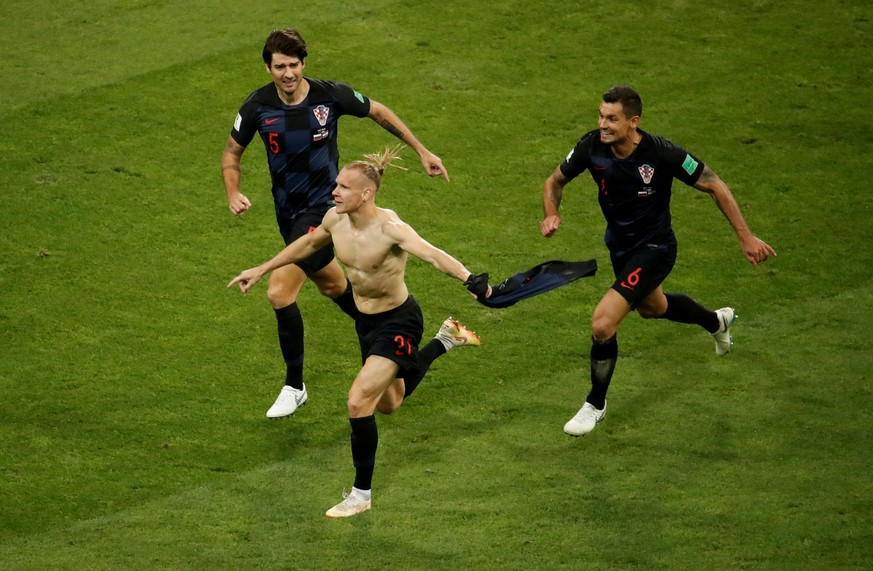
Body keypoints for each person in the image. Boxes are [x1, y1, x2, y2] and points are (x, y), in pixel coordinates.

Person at [228, 146, 490, 518]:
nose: (334, 191)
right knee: (390, 403)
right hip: (366, 323)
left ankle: (360, 495)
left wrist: (470, 279)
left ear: (366, 193)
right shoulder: (335, 220)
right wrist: (262, 268)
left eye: (343, 187)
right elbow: (306, 243)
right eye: (336, 184)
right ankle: (447, 338)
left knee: (358, 401)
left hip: (399, 321)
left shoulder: (390, 228)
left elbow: (432, 254)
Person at [221, 28, 450, 419]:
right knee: (331, 286)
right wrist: (233, 191)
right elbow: (231, 153)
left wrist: (421, 149)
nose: (288, 74)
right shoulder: (257, 107)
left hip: (328, 211)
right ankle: (428, 338)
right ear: (268, 67)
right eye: (280, 67)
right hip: (288, 214)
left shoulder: (330, 95)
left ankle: (295, 385)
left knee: (279, 293)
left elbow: (378, 111)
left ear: (303, 64)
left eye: (294, 65)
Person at [540, 85, 776, 437]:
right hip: (620, 249)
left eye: (612, 119)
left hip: (655, 249)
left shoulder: (662, 153)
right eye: (601, 116)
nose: (603, 124)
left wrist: (745, 236)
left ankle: (595, 404)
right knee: (653, 307)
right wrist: (551, 213)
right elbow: (554, 181)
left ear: (633, 122)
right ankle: (716, 322)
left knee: (602, 324)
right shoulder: (591, 146)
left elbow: (714, 184)